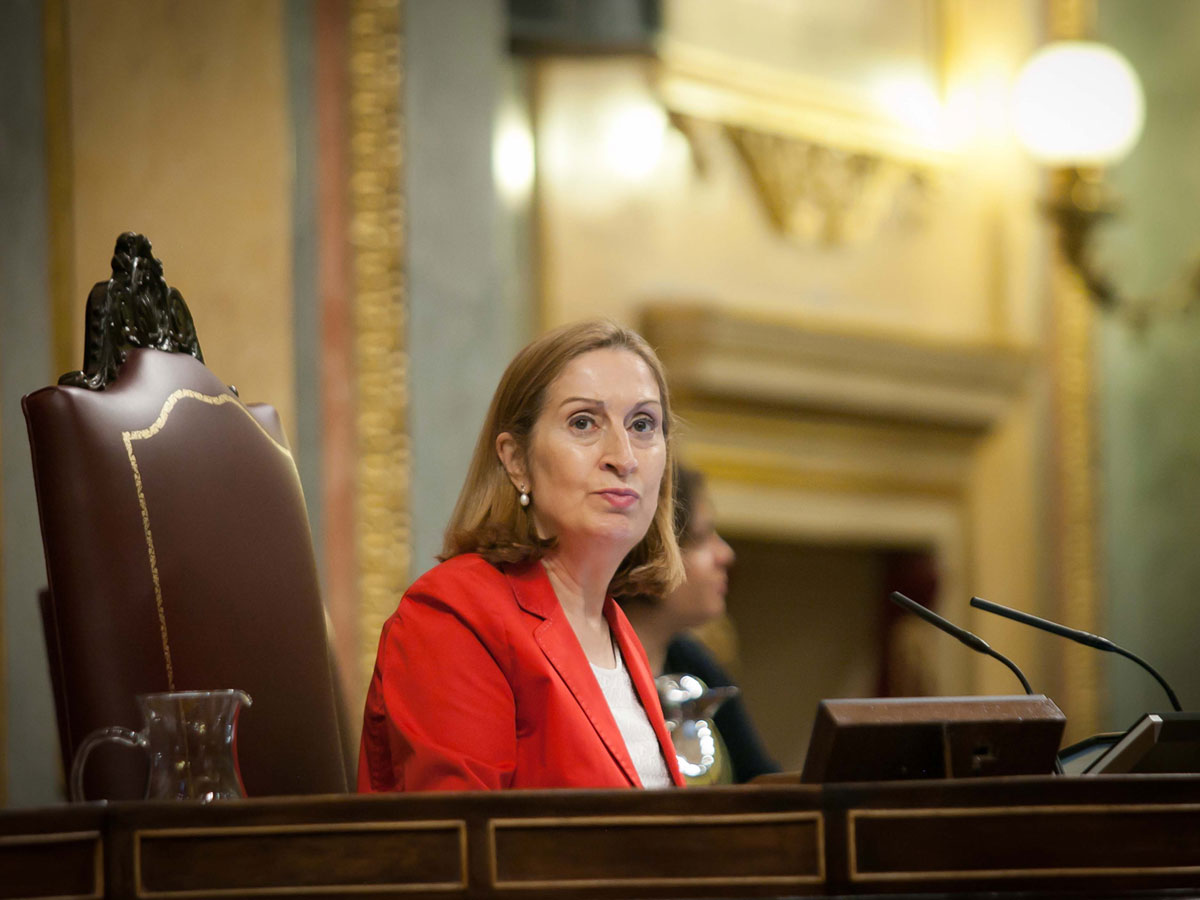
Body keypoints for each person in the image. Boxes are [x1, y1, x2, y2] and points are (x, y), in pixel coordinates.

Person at [358, 320, 687, 791]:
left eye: (642, 425)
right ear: (515, 461)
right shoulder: (455, 614)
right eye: (583, 423)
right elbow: (462, 843)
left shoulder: (617, 631)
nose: (624, 456)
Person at [621, 466, 781, 783]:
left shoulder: (692, 661)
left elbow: (758, 780)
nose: (726, 554)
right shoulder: (591, 666)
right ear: (650, 553)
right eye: (702, 538)